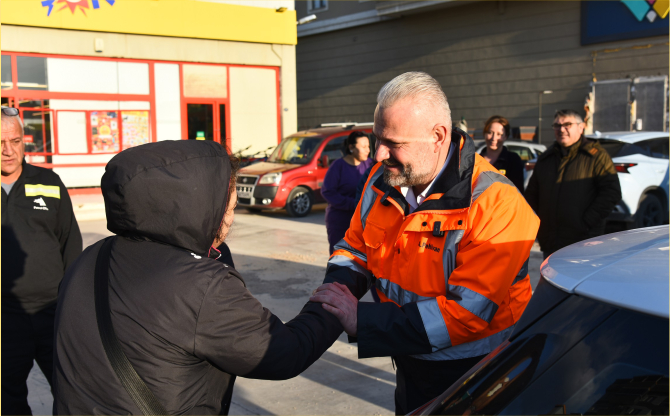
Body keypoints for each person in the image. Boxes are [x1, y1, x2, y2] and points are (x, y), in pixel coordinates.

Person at [52, 140, 344, 415]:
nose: (232, 218)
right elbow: (283, 353)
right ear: (197, 209)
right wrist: (333, 305)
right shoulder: (199, 285)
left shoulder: (92, 256)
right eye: (228, 208)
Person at [309, 72, 540, 414]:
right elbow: (354, 248)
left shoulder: (496, 203)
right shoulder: (382, 179)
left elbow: (467, 313)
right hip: (408, 357)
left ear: (437, 136)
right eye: (376, 139)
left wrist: (364, 321)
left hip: (476, 372)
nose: (378, 153)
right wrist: (335, 294)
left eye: (392, 142)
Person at [1, 106, 82, 415]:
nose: (9, 151)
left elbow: (70, 244)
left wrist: (72, 306)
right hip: (4, 320)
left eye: (16, 141)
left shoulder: (49, 182)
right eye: (0, 143)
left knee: (73, 393)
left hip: (53, 313)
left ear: (25, 141)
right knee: (7, 402)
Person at [524, 109, 621, 258]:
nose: (561, 130)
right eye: (557, 125)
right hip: (550, 242)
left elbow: (611, 193)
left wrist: (585, 222)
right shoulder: (546, 159)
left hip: (583, 242)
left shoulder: (596, 156)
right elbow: (532, 195)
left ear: (581, 127)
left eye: (567, 124)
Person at [321, 131, 373, 254]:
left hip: (363, 222)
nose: (368, 150)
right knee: (340, 257)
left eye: (368, 146)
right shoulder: (338, 166)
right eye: (363, 147)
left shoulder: (370, 165)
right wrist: (354, 204)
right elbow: (327, 192)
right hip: (340, 221)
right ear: (351, 147)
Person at [479, 115, 525, 192]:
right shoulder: (476, 160)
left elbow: (517, 192)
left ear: (505, 136)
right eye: (490, 132)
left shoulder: (513, 160)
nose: (494, 138)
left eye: (499, 134)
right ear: (484, 133)